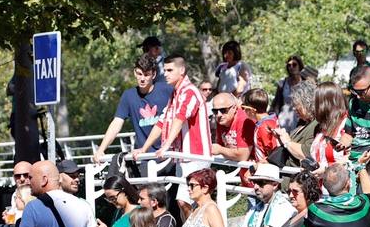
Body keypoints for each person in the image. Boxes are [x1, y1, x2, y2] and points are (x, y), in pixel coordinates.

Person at [134, 54, 212, 191]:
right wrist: (144, 148)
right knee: (183, 203)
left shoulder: (190, 92)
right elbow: (161, 123)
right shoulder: (175, 95)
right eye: (165, 70)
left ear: (181, 70)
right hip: (182, 157)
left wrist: (166, 145)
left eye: (170, 70)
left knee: (189, 201)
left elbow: (180, 118)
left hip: (196, 155)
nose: (166, 74)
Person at [92, 53, 174, 166]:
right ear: (135, 72)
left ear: (154, 74)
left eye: (146, 75)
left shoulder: (167, 90)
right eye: (139, 74)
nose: (142, 79)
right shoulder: (128, 96)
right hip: (144, 156)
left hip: (168, 154)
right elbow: (116, 124)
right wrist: (101, 150)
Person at [309, 81, 350, 169]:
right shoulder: (320, 127)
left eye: (316, 102)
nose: (313, 105)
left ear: (325, 103)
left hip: (338, 180)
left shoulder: (346, 125)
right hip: (319, 181)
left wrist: (325, 169)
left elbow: (353, 158)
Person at [210, 91, 255, 165]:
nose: (218, 115)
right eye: (215, 111)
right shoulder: (222, 120)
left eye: (223, 110)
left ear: (234, 108)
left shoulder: (245, 121)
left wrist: (220, 150)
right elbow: (221, 146)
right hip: (233, 165)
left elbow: (242, 156)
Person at [271, 55, 306, 132]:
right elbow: (276, 103)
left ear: (300, 66)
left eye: (294, 65)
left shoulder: (305, 83)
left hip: (300, 119)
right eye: (289, 65)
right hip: (283, 119)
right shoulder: (283, 83)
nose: (291, 67)